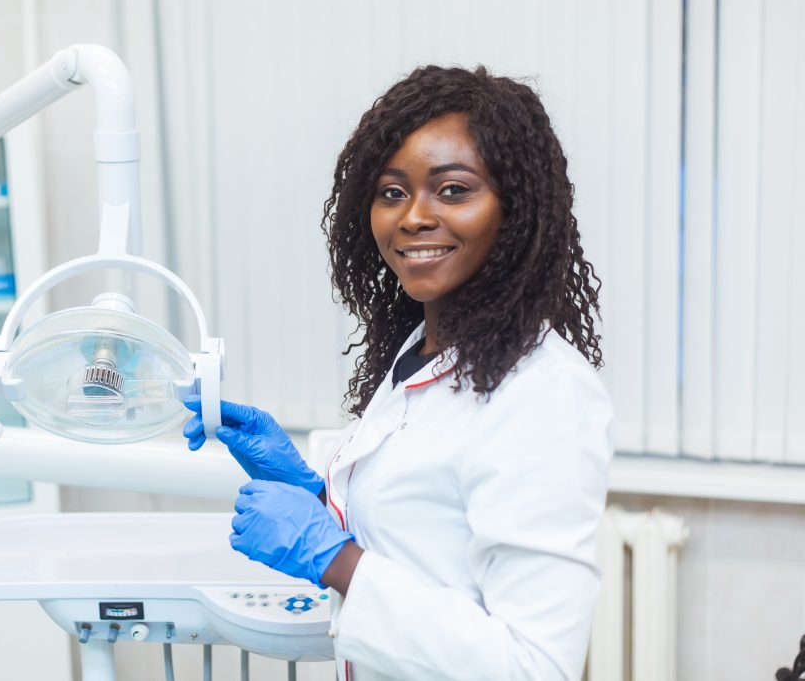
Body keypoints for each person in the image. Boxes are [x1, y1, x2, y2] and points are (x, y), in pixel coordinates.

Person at [183, 65, 613, 681]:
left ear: (515, 212)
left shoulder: (545, 394)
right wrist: (314, 493)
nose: (413, 217)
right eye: (392, 192)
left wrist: (334, 560)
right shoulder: (421, 354)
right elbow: (422, 544)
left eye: (454, 190)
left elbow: (535, 667)